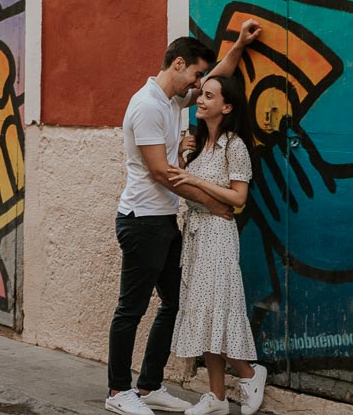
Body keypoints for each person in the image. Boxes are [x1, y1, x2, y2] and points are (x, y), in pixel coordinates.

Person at [106, 22, 260, 415]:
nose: (199, 84)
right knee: (131, 309)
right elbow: (162, 172)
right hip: (142, 220)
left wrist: (239, 45)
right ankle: (119, 391)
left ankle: (150, 385)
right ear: (178, 64)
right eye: (194, 75)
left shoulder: (170, 100)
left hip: (163, 221)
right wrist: (211, 203)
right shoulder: (146, 106)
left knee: (176, 302)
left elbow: (218, 79)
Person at [165, 75, 266, 415]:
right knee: (202, 314)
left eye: (209, 96)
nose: (200, 101)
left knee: (219, 311)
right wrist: (183, 160)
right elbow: (183, 185)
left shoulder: (234, 146)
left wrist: (193, 178)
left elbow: (239, 198)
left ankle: (250, 374)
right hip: (195, 235)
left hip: (219, 236)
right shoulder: (198, 144)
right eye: (201, 95)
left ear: (226, 106)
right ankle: (217, 397)